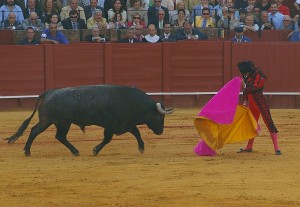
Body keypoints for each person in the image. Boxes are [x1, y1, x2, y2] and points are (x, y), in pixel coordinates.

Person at [237, 60, 281, 155]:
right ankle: (249, 146)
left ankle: (277, 148)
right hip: (251, 103)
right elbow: (245, 90)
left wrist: (245, 85)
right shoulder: (246, 75)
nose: (245, 74)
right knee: (253, 124)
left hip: (260, 103)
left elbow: (256, 86)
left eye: (246, 72)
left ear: (249, 69)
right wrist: (245, 100)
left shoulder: (259, 74)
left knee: (269, 123)